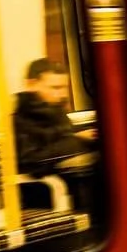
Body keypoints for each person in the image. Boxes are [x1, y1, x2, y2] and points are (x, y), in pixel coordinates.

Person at [12, 57, 97, 207]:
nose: (63, 94)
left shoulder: (55, 111)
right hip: (41, 189)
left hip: (68, 177)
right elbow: (31, 161)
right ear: (31, 85)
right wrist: (77, 140)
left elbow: (63, 138)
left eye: (65, 87)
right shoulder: (21, 118)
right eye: (55, 88)